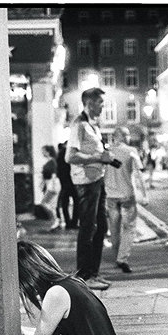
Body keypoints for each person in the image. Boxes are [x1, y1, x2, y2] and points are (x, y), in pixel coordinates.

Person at [65, 87, 117, 290]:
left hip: (97, 179)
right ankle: (84, 275)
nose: (103, 106)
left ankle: (93, 273)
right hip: (85, 183)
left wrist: (104, 156)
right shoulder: (78, 125)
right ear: (89, 103)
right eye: (100, 102)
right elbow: (70, 157)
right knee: (88, 227)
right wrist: (97, 157)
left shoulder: (92, 125)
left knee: (101, 227)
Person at [106, 126, 148, 274]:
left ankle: (116, 254)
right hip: (127, 195)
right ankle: (122, 258)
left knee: (114, 227)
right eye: (128, 135)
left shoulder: (107, 153)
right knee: (129, 227)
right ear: (125, 137)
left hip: (111, 196)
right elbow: (138, 175)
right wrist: (144, 194)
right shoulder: (132, 151)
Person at [56, 142, 78, 230]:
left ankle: (68, 222)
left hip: (64, 182)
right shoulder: (72, 153)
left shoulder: (61, 153)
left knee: (65, 203)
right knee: (76, 202)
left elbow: (59, 169)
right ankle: (74, 222)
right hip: (73, 181)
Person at [40, 145, 62, 231]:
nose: (42, 153)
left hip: (52, 183)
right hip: (50, 183)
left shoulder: (52, 162)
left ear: (48, 152)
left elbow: (54, 174)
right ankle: (56, 220)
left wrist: (51, 185)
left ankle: (56, 220)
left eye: (43, 151)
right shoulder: (50, 161)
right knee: (49, 203)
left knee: (44, 203)